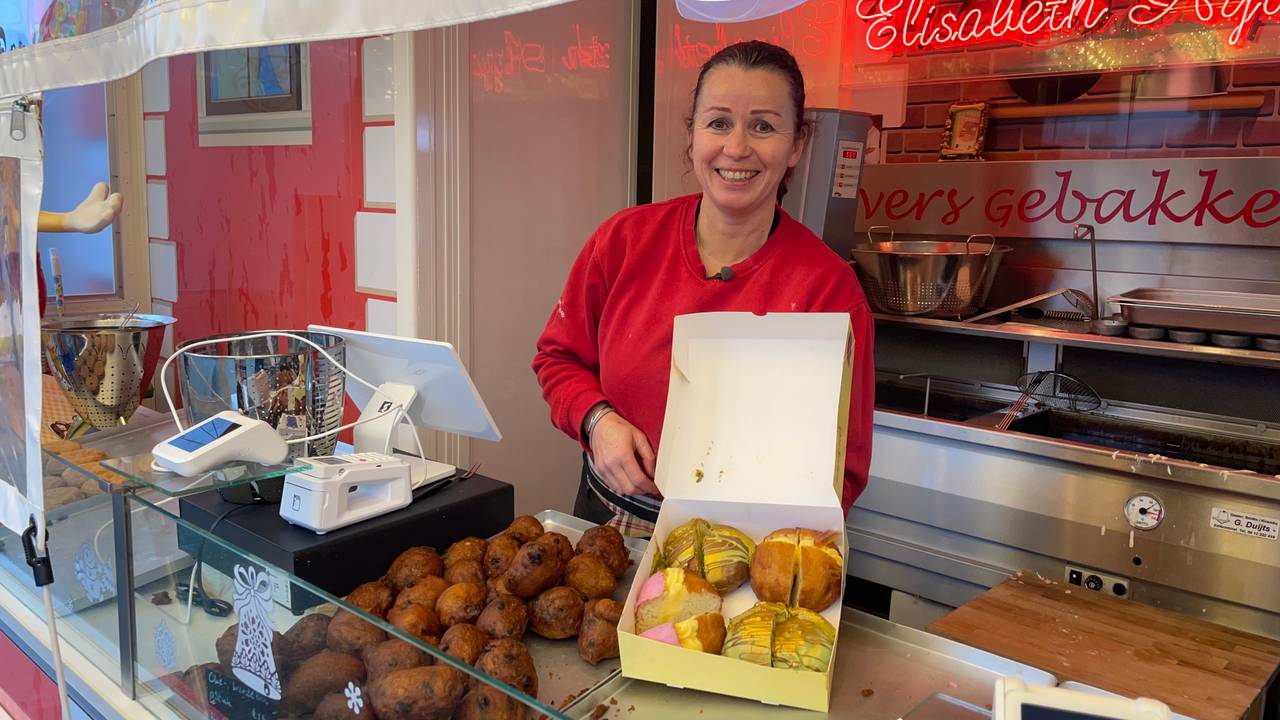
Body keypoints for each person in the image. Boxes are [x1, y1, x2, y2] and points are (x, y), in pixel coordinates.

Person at [533, 41, 874, 536]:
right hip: (608, 522)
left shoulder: (828, 290)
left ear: (797, 143)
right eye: (718, 122)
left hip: (747, 544)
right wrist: (597, 421)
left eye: (763, 125)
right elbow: (557, 359)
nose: (736, 148)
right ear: (691, 134)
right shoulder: (623, 241)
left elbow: (843, 470)